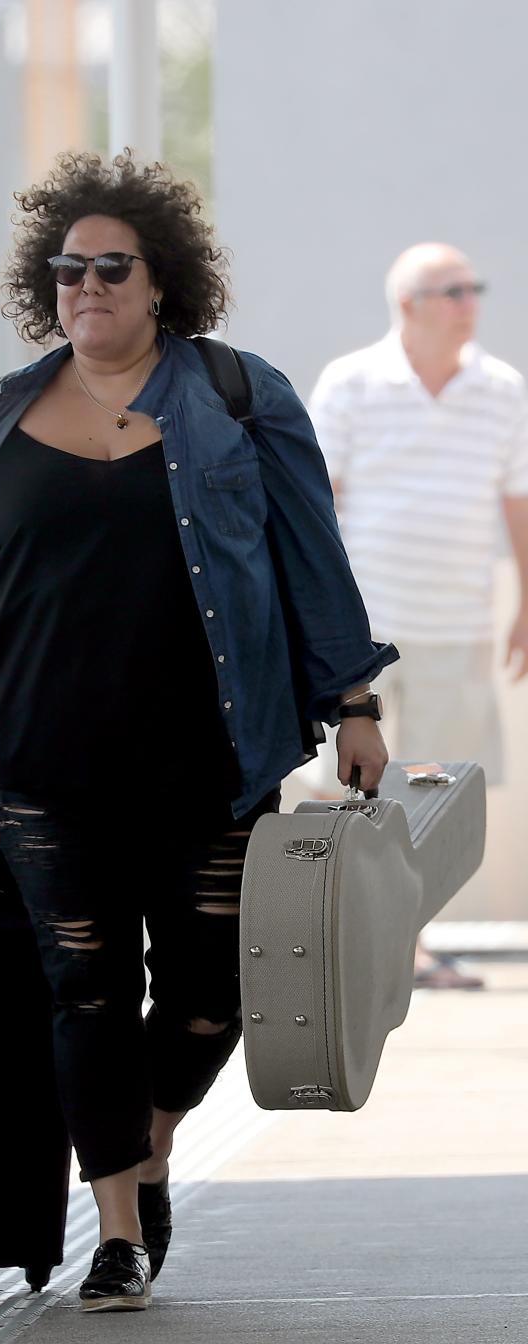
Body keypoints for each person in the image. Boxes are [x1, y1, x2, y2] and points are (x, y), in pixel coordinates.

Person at [0, 151, 396, 1312]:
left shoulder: (237, 395)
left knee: (216, 987)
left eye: (112, 268)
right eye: (68, 272)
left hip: (209, 755)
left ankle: (153, 1140)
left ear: (160, 280)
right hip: (38, 759)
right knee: (85, 989)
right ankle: (116, 1224)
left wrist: (354, 703)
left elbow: (311, 559)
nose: (88, 290)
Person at [309, 242, 528, 990]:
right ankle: (338, 935)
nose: (471, 303)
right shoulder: (351, 383)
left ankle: (411, 946)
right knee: (338, 786)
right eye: (453, 291)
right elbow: (317, 502)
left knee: (433, 799)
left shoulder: (502, 388)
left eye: (474, 289)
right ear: (408, 305)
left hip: (458, 627)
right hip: (362, 637)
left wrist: (526, 603)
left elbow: (518, 502)